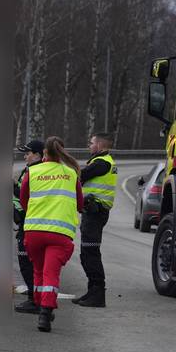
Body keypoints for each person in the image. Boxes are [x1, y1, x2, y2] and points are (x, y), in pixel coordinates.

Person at [18, 136, 84, 332]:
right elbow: (80, 204)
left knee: (38, 271)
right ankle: (45, 313)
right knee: (51, 274)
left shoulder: (33, 171)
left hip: (34, 231)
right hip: (60, 233)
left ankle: (39, 306)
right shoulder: (71, 173)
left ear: (44, 153)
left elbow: (23, 200)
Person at [71, 132, 117, 308]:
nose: (89, 146)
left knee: (90, 254)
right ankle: (92, 292)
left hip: (95, 213)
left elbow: (79, 176)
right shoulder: (102, 162)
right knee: (87, 254)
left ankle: (98, 294)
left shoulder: (102, 163)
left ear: (99, 145)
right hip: (93, 212)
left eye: (91, 143)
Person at [12, 140, 44, 314]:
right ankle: (36, 297)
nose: (25, 156)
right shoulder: (30, 169)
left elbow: (26, 193)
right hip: (26, 221)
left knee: (27, 260)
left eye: (28, 153)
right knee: (31, 262)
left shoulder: (36, 171)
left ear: (38, 154)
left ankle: (34, 298)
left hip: (30, 222)